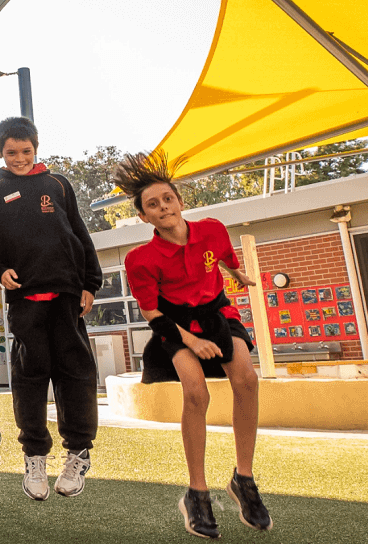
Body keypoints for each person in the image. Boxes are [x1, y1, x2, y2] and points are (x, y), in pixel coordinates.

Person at [113, 152, 272, 539]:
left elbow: (224, 257)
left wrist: (236, 272)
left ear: (180, 201)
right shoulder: (140, 259)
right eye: (153, 204)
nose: (163, 206)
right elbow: (153, 314)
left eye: (167, 198)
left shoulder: (214, 229)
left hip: (217, 313)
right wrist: (192, 342)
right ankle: (196, 493)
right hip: (174, 324)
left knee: (247, 380)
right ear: (144, 217)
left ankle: (244, 480)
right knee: (196, 393)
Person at [0, 116, 101, 501]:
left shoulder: (58, 184)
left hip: (67, 299)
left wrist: (90, 283)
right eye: (12, 152)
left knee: (75, 375)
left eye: (26, 151)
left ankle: (78, 452)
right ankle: (35, 458)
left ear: (36, 148)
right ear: (0, 153)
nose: (20, 158)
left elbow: (80, 232)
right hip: (25, 301)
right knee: (29, 379)